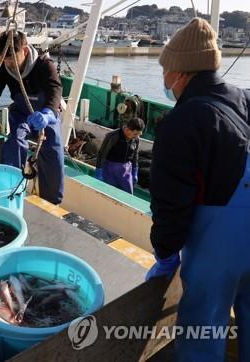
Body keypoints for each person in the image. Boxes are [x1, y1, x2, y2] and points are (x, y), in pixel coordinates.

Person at [146, 18, 250, 361]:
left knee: (201, 330)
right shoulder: (244, 98)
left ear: (181, 73)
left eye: (166, 70)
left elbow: (171, 202)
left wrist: (165, 252)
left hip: (219, 250)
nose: (165, 79)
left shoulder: (182, 123)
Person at [0, 31, 64, 204]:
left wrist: (48, 113)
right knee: (14, 142)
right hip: (22, 114)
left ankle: (53, 202)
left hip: (45, 115)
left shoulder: (44, 65)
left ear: (25, 51)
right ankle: (10, 190)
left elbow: (55, 89)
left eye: (12, 57)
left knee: (53, 154)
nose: (9, 63)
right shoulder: (4, 69)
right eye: (5, 58)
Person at [95, 118, 144, 194]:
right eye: (135, 134)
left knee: (128, 195)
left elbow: (135, 155)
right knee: (109, 193)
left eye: (139, 134)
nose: (137, 137)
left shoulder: (136, 139)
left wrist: (135, 170)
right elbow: (102, 153)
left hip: (126, 170)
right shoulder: (113, 136)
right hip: (109, 169)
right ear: (127, 130)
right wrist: (99, 170)